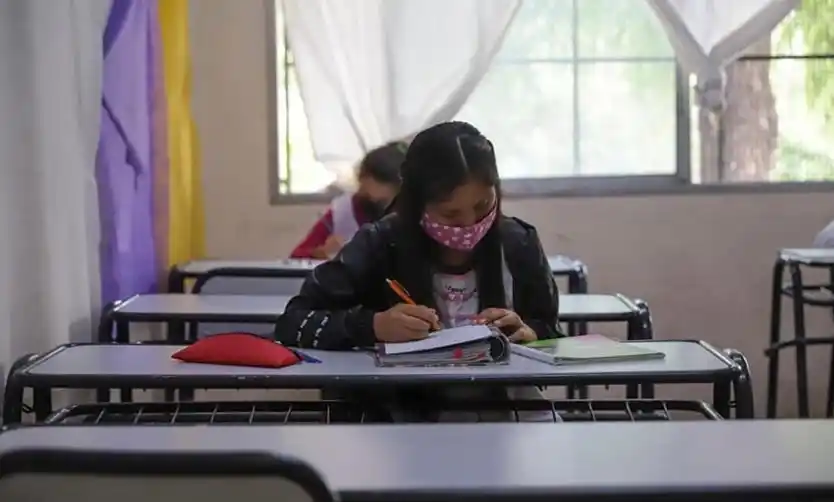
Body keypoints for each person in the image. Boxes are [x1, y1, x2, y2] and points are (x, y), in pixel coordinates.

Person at [275, 121, 560, 421]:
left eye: (483, 205)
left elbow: (551, 333)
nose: (470, 223)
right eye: (450, 213)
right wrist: (373, 326)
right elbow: (293, 322)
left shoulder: (518, 242)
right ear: (417, 204)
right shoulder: (379, 243)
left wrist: (528, 333)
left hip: (505, 413)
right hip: (398, 419)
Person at [290, 141, 406, 259]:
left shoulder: (417, 215)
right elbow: (295, 258)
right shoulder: (343, 212)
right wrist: (321, 253)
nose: (374, 203)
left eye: (384, 201)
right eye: (366, 195)